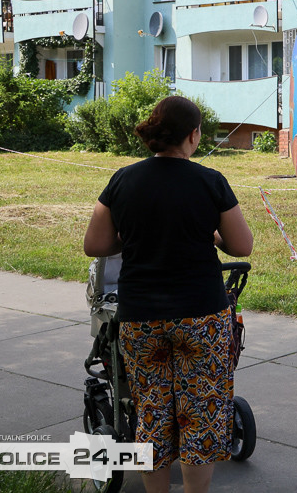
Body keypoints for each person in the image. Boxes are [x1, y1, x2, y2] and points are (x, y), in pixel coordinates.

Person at [83, 96, 254, 493]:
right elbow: (241, 245)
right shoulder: (211, 181)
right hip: (201, 317)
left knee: (152, 415)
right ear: (193, 135)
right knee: (201, 415)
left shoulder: (123, 179)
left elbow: (95, 244)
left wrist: (137, 237)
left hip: (140, 317)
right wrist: (208, 235)